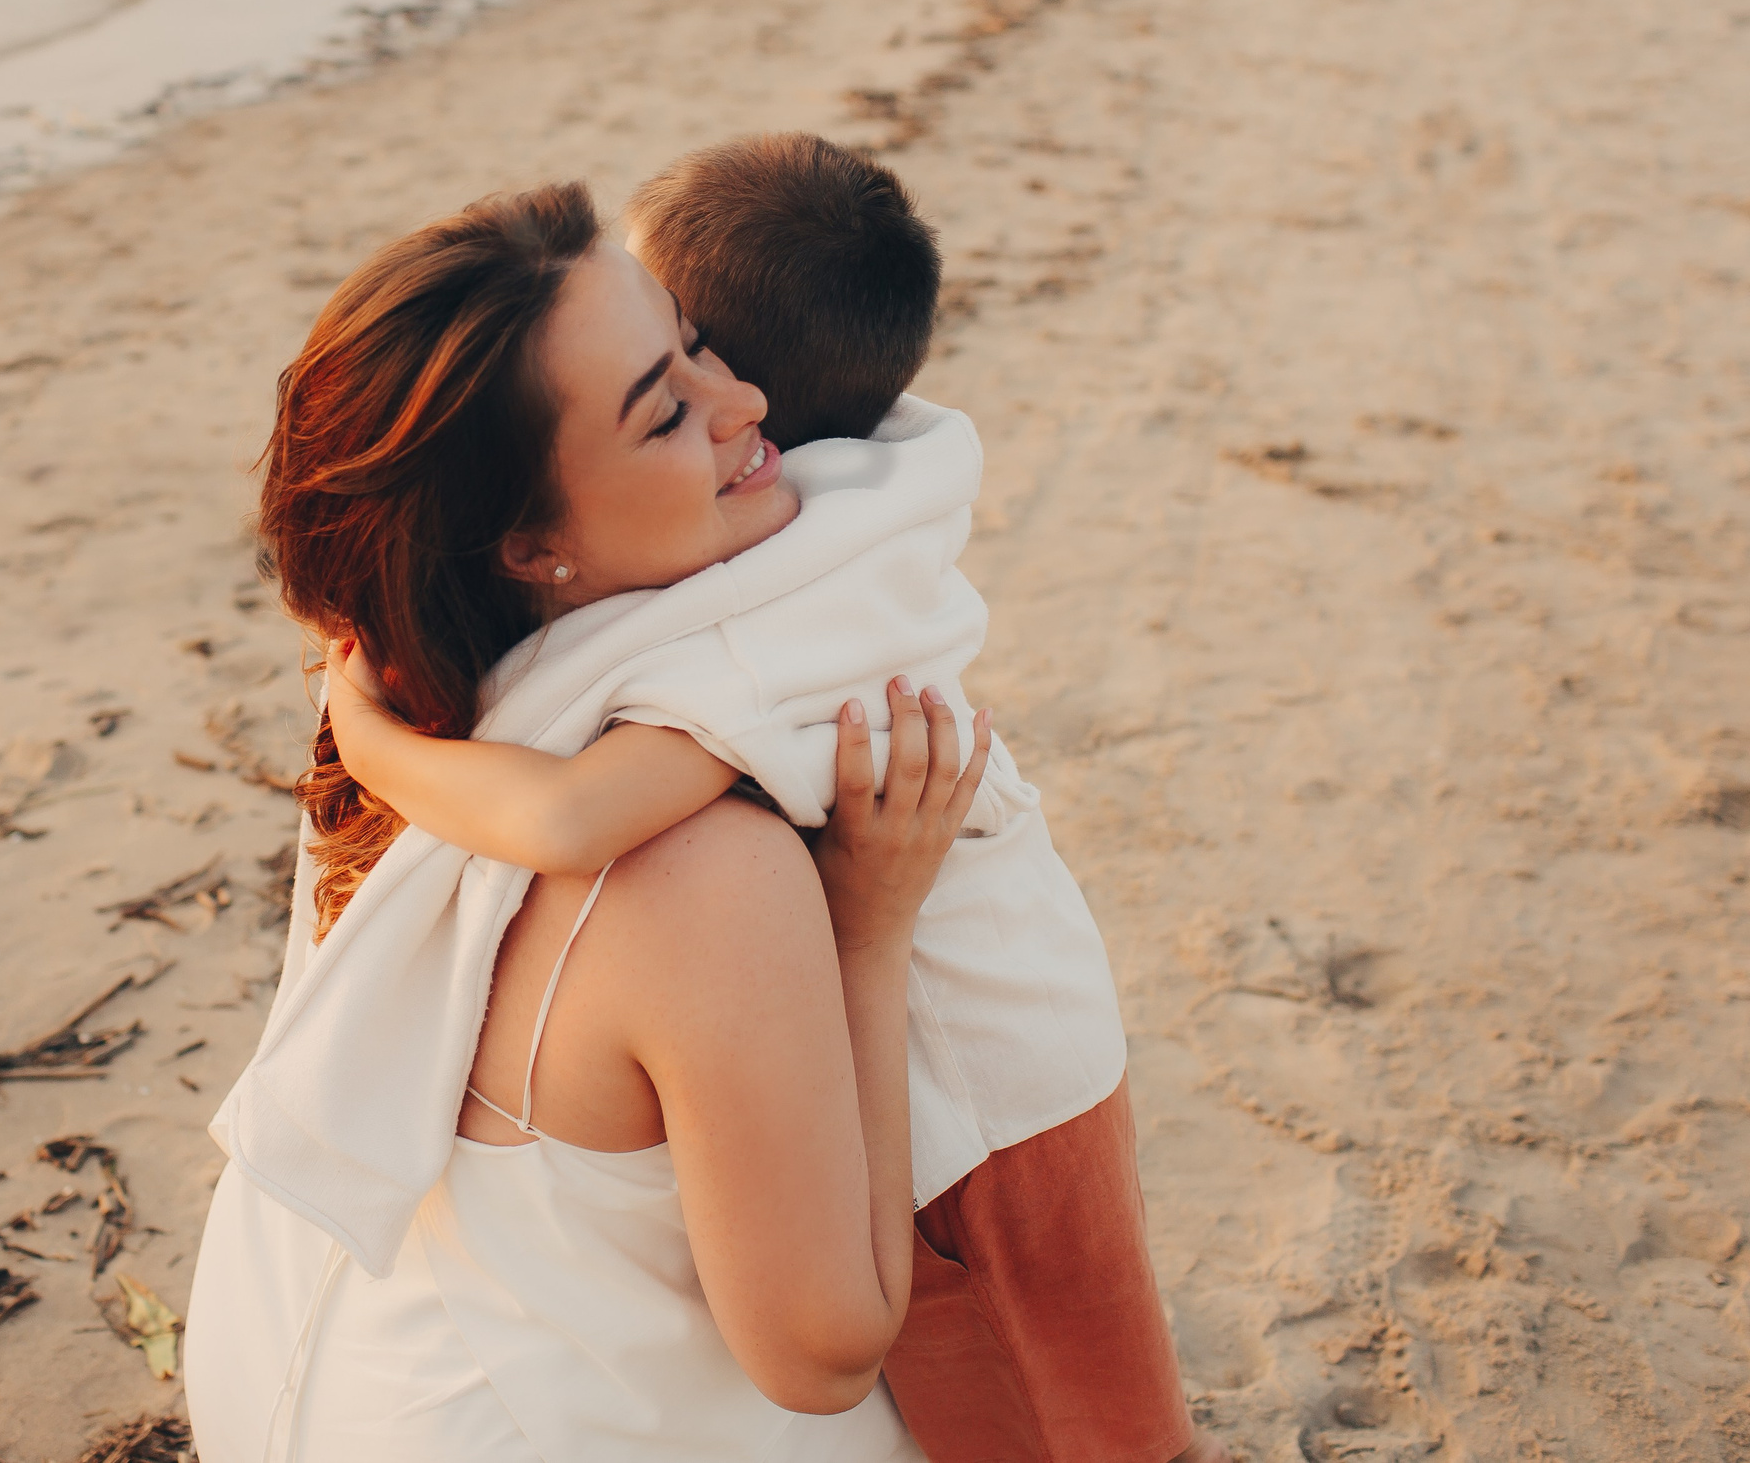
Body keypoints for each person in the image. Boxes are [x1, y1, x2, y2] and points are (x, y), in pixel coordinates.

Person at [318, 135, 1225, 1463]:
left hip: (995, 1074)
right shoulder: (841, 486)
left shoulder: (785, 603)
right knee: (983, 1402)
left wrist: (369, 738)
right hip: (909, 1045)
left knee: (1091, 1421)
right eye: (668, 382)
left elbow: (573, 818)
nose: (727, 396)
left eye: (696, 355)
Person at [186, 180, 984, 1462]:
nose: (750, 406)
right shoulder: (694, 861)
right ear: (526, 544)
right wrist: (866, 933)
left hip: (287, 1374)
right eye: (668, 412)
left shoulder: (428, 715)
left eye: (693, 346)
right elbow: (823, 1351)